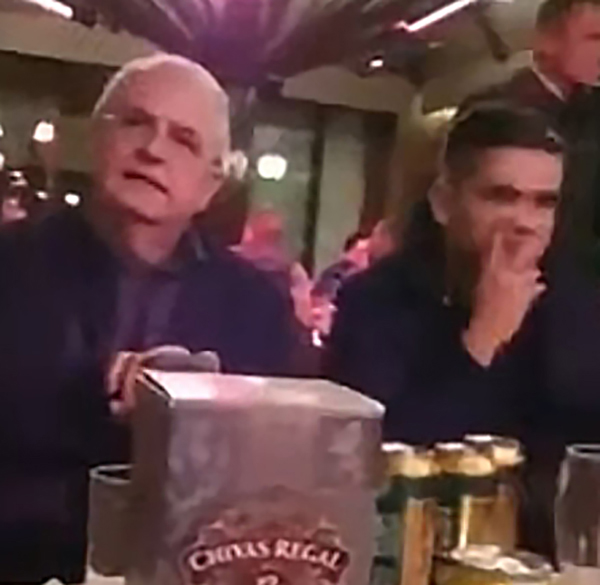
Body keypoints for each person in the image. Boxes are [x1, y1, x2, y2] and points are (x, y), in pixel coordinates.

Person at [0, 54, 299, 584]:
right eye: (135, 122)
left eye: (184, 140)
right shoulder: (10, 263)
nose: (153, 149)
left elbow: (280, 486)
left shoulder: (259, 307)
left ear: (211, 184)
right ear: (96, 139)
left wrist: (200, 410)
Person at [324, 105, 600, 557]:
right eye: (501, 197)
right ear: (444, 203)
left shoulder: (577, 303)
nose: (525, 222)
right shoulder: (376, 301)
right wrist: (482, 339)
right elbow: (382, 469)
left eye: (544, 202)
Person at [462, 0, 600, 271]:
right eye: (594, 38)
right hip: (515, 271)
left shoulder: (593, 110)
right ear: (547, 41)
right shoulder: (495, 110)